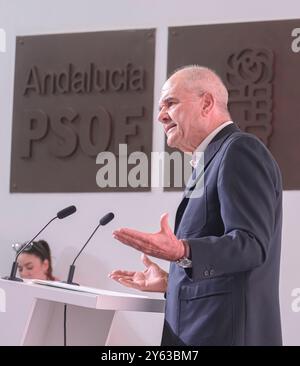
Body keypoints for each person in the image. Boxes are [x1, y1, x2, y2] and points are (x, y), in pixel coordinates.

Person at [109, 65, 283, 346]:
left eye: (170, 103)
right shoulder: (212, 159)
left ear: (206, 103)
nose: (160, 116)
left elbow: (250, 245)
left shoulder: (239, 150)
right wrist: (172, 282)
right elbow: (222, 269)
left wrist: (181, 251)